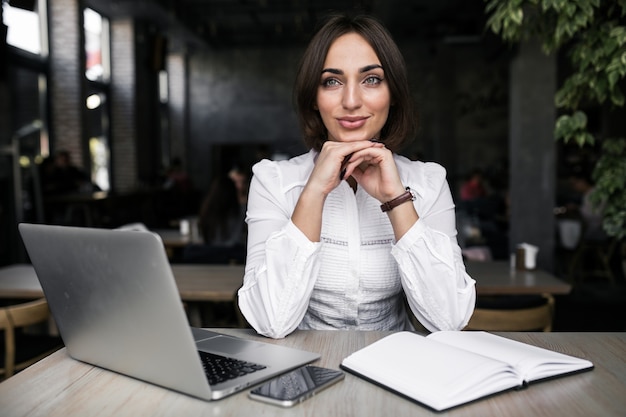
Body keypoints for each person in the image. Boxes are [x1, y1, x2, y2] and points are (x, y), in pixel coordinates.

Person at [238, 14, 476, 339]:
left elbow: (449, 320)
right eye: (332, 81)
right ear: (314, 99)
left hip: (395, 371)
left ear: (393, 94)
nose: (351, 101)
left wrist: (396, 199)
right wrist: (314, 192)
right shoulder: (273, 181)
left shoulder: (428, 182)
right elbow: (269, 321)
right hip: (304, 369)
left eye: (372, 80)